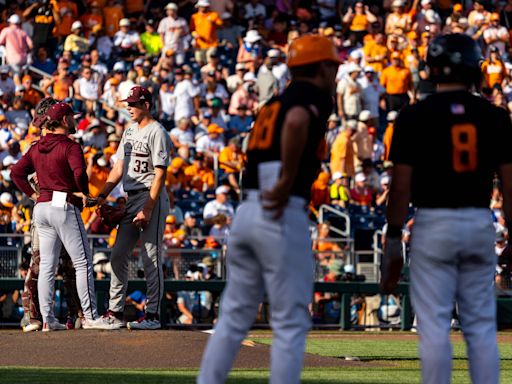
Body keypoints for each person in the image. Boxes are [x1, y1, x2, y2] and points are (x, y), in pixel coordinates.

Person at [198, 34, 339, 384]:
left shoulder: (274, 101)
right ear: (320, 66)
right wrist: (288, 177)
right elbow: (296, 123)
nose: (335, 71)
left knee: (232, 318)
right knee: (290, 320)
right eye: (332, 64)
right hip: (281, 207)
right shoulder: (312, 94)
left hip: (248, 208)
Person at [381, 34, 512, 384]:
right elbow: (510, 185)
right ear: (474, 68)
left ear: (431, 68)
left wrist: (393, 236)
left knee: (434, 326)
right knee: (481, 326)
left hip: (432, 222)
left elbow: (401, 187)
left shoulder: (412, 116)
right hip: (477, 220)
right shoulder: (496, 116)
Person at [10, 101, 101, 331]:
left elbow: (16, 173)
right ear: (63, 120)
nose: (74, 120)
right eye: (71, 116)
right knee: (82, 263)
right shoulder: (70, 146)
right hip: (63, 204)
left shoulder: (37, 146)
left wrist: (32, 195)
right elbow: (79, 173)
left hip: (41, 207)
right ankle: (90, 317)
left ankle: (47, 320)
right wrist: (85, 192)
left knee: (47, 266)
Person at [93, 86, 171, 331]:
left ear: (146, 104)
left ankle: (153, 315)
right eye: (128, 103)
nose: (129, 107)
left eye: (134, 103)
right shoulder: (128, 132)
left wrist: (147, 208)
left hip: (151, 197)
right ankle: (114, 312)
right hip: (131, 197)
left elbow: (160, 175)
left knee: (151, 257)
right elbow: (118, 168)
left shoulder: (157, 131)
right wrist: (101, 195)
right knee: (117, 255)